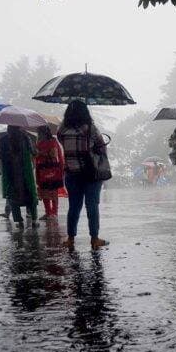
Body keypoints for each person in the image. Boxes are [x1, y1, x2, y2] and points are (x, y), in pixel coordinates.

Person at [58, 100, 108, 251]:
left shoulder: (62, 130)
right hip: (91, 174)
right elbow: (101, 148)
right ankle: (94, 238)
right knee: (92, 206)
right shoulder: (91, 129)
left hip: (71, 174)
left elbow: (64, 145)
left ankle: (71, 239)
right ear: (85, 112)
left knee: (74, 207)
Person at [0, 125, 38, 229]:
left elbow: (0, 155)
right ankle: (34, 220)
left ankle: (19, 222)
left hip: (11, 173)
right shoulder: (25, 138)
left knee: (13, 197)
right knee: (30, 195)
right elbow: (34, 153)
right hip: (25, 172)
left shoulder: (3, 140)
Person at [34, 125, 66, 220]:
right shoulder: (41, 142)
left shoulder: (51, 142)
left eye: (39, 132)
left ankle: (52, 212)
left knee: (51, 192)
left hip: (49, 169)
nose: (39, 134)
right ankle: (50, 212)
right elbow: (59, 156)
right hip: (47, 169)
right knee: (47, 192)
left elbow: (56, 154)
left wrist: (41, 153)